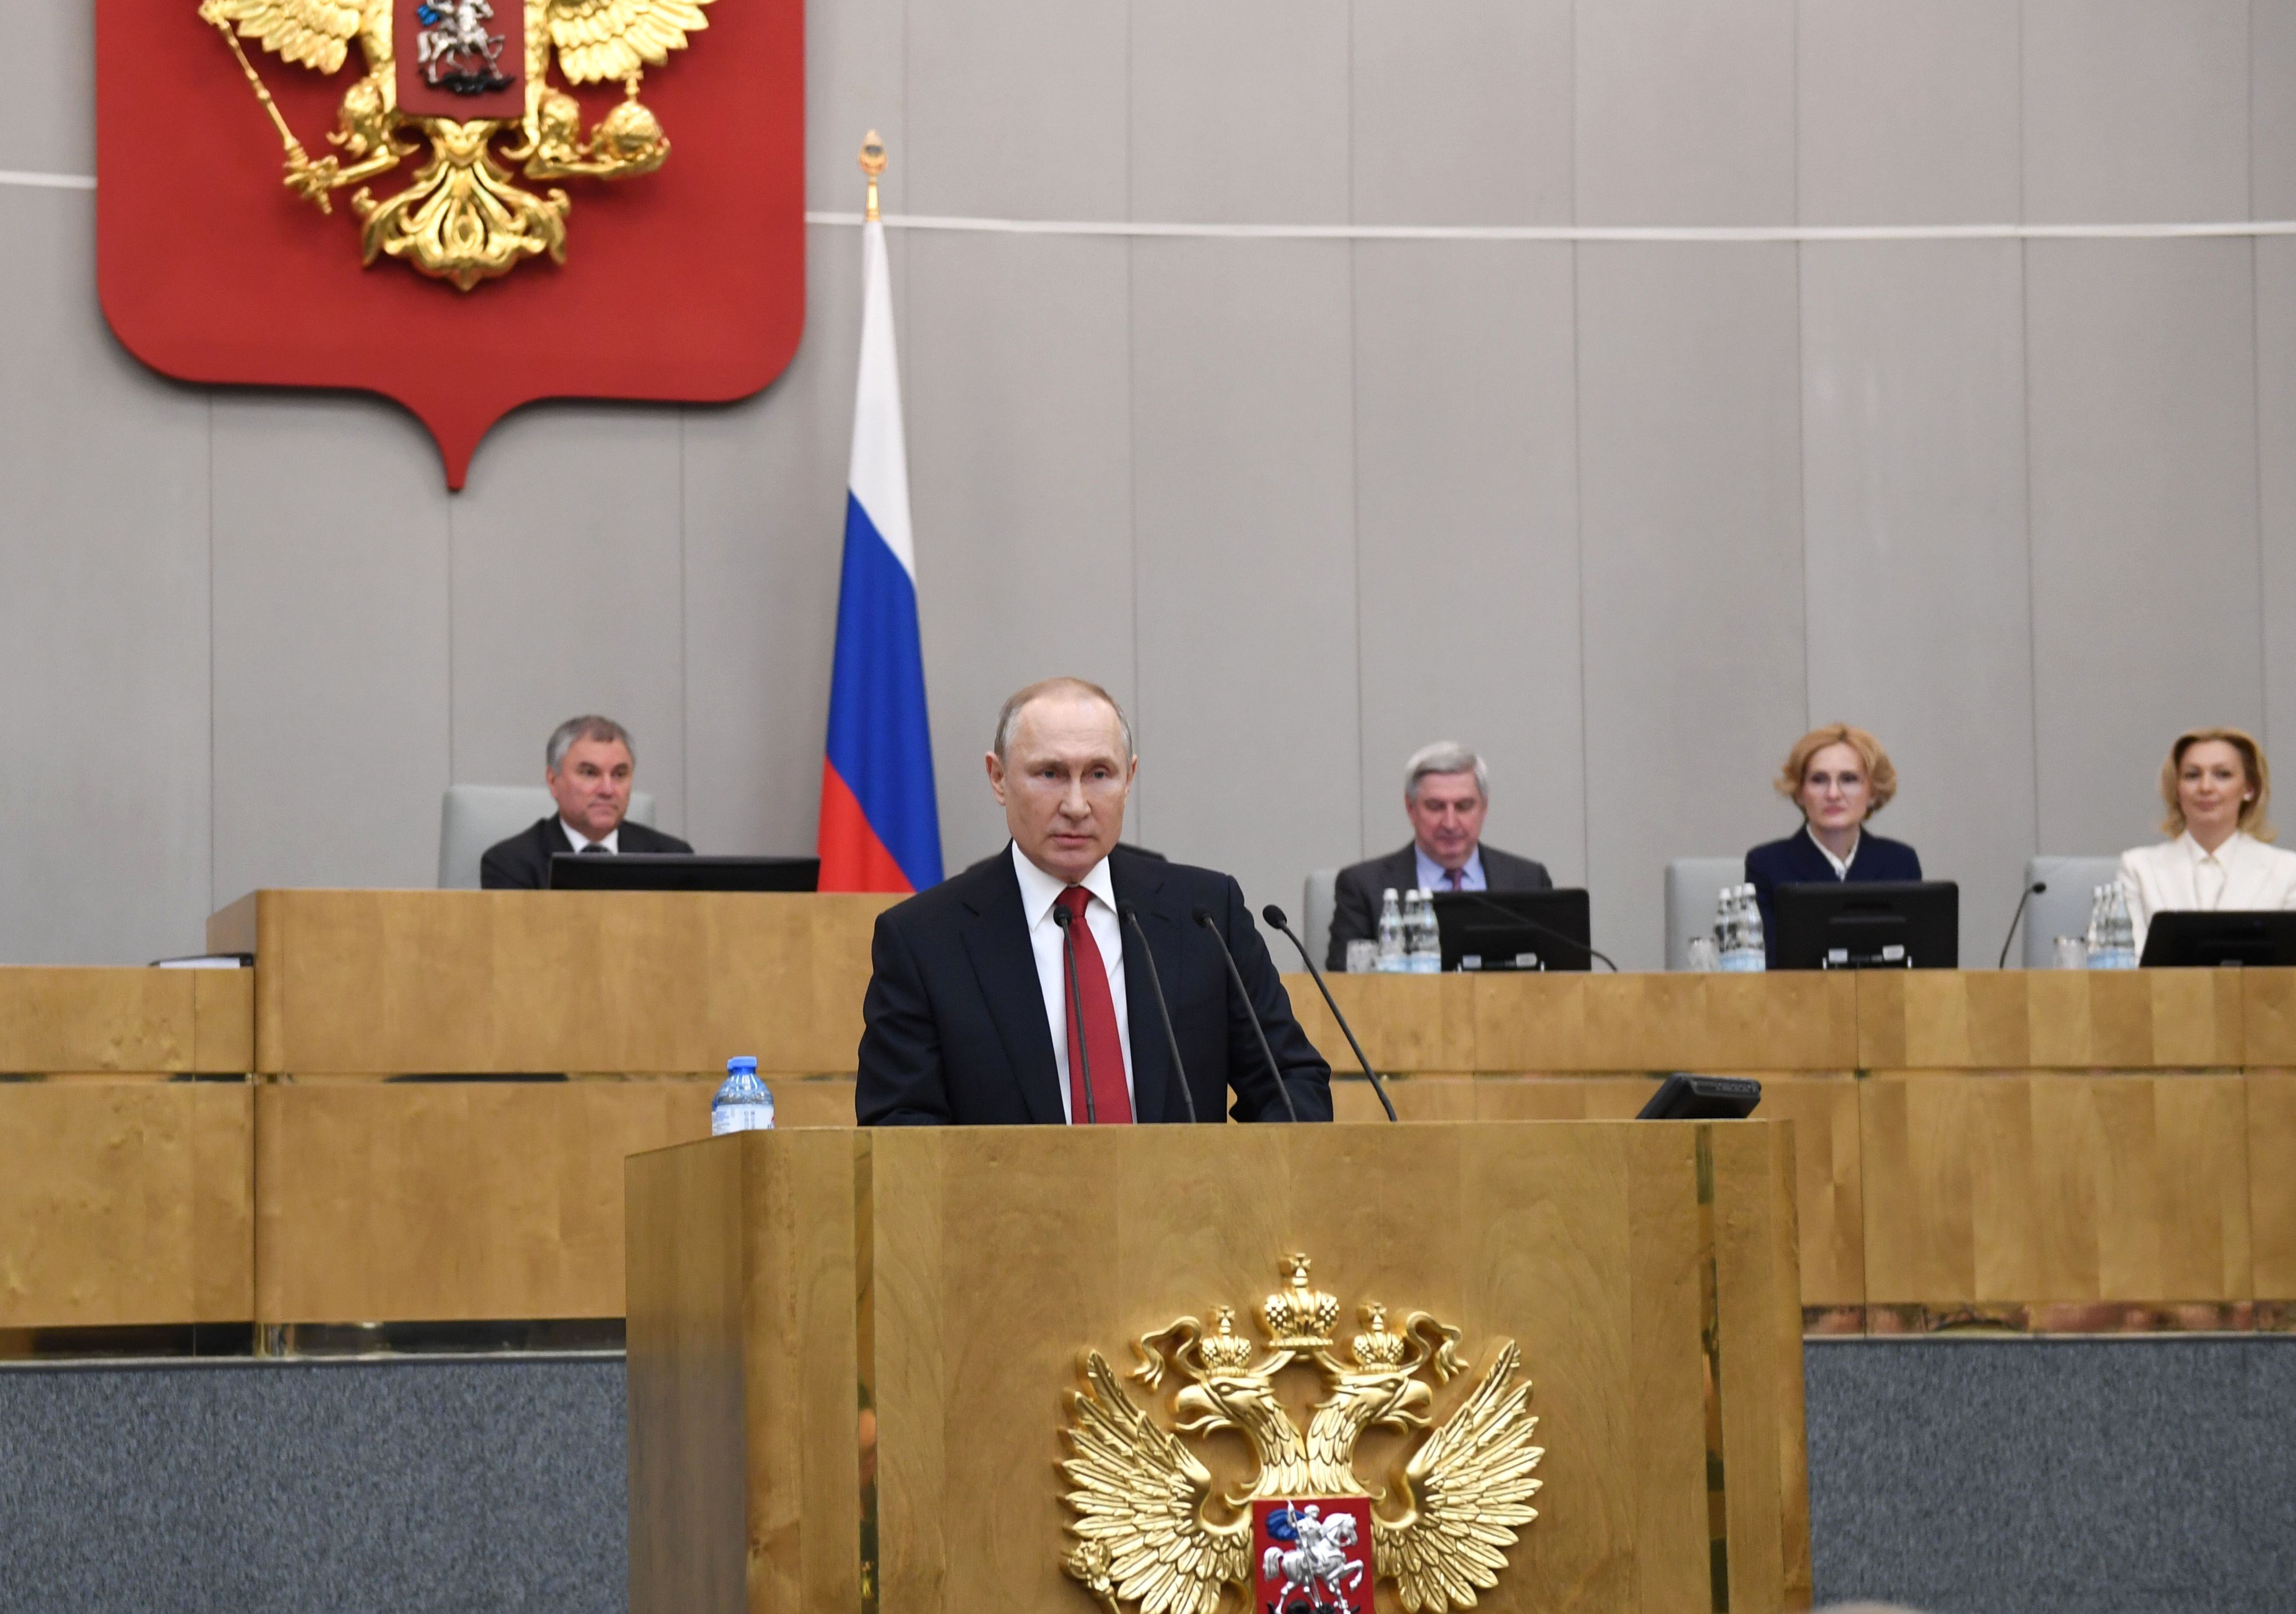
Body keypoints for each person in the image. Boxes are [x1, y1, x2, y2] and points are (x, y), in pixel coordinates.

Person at [855, 677, 1332, 1126]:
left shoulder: (1205, 915)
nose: (1077, 805)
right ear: (998, 778)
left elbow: (1290, 1082)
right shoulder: (924, 940)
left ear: (1129, 779)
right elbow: (900, 1125)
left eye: (1099, 774)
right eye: (1050, 773)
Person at [1326, 742, 1551, 969]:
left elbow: (1556, 973)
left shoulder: (1529, 881)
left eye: (1463, 806)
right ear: (1410, 808)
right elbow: (1342, 980)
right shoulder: (1364, 887)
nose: (1450, 823)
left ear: (1484, 808)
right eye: (1436, 807)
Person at [1744, 724, 1921, 964]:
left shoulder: (1900, 862)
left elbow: (1917, 964)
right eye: (1819, 780)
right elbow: (1767, 965)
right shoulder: (1767, 864)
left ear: (1873, 793)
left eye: (1849, 779)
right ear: (1799, 792)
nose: (1833, 794)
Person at [2117, 726, 2296, 955]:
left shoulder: (2287, 871)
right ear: (2177, 789)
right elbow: (2130, 963)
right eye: (2192, 775)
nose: (2206, 787)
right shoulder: (2139, 868)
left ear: (2249, 789)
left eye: (2222, 775)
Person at [478, 715, 693, 888]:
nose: (607, 790)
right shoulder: (512, 863)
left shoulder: (674, 859)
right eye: (590, 773)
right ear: (553, 781)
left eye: (619, 775)